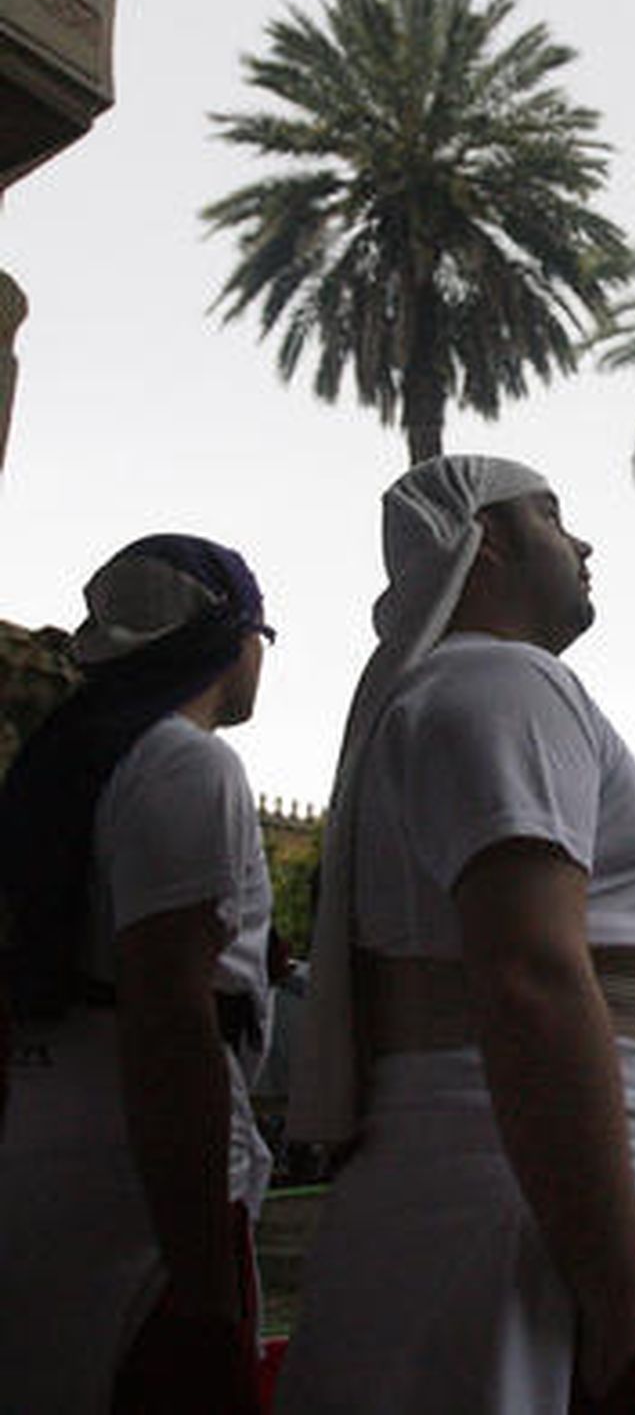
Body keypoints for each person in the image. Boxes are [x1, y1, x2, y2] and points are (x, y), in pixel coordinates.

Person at [276, 456, 635, 1414]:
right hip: (532, 1220)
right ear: (483, 543)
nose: (582, 544)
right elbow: (530, 976)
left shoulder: (472, 690)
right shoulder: (501, 681)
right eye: (554, 517)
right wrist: (616, 1286)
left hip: (530, 1205)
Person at [0, 534, 277, 1413]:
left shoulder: (70, 760)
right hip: (141, 1174)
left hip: (43, 1129)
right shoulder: (187, 763)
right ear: (232, 638)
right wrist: (205, 1282)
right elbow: (168, 1013)